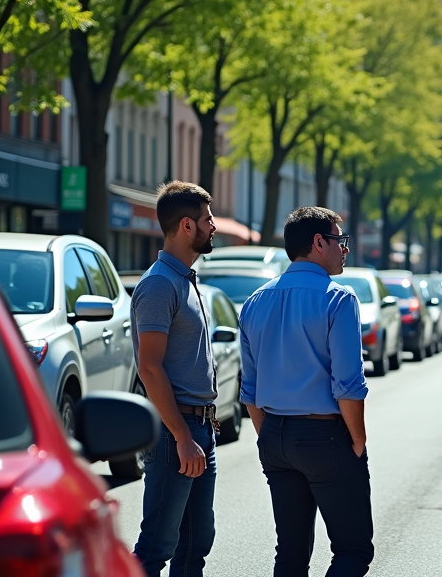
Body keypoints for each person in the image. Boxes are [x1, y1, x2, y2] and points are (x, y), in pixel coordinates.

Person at [238, 207, 373, 577]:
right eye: (339, 241)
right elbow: (347, 385)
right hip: (325, 435)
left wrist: (269, 433)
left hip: (274, 436)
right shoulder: (338, 298)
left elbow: (248, 389)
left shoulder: (254, 301)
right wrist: (358, 439)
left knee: (291, 554)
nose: (344, 250)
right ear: (318, 243)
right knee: (353, 550)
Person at [131, 181, 218, 577]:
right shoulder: (159, 284)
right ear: (186, 226)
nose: (213, 226)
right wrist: (183, 436)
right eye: (207, 219)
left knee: (195, 544)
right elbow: (149, 367)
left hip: (200, 429)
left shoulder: (183, 278)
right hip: (175, 432)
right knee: (156, 547)